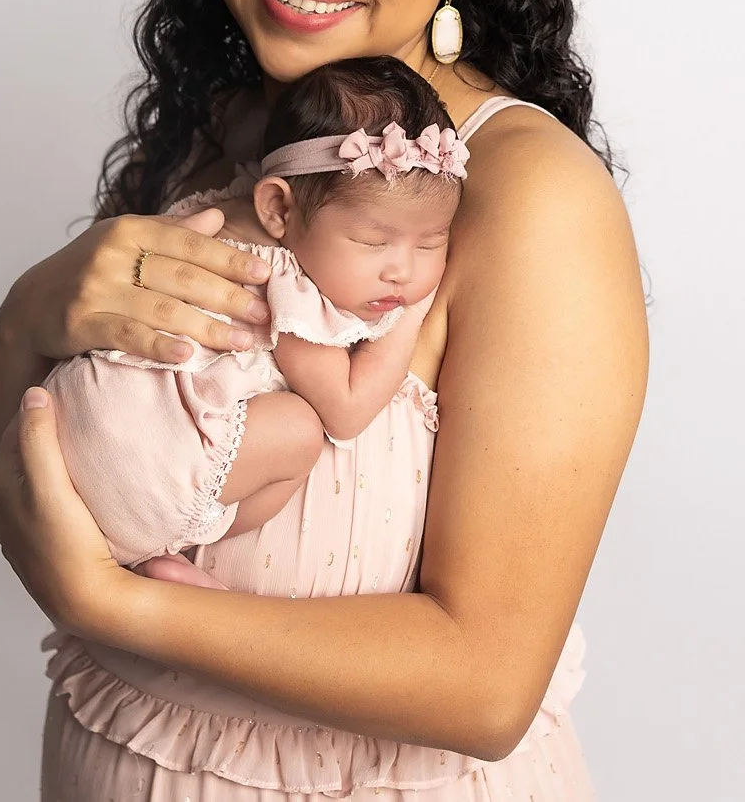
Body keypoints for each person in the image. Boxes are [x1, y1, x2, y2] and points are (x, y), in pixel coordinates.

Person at [0, 0, 648, 800]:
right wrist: (30, 312)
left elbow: (486, 684)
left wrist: (115, 605)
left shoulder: (527, 198)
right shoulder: (226, 139)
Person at [45, 56, 469, 581]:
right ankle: (171, 555)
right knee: (302, 432)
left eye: (432, 243)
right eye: (372, 242)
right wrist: (416, 310)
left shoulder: (216, 205)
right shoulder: (272, 276)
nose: (401, 272)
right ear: (279, 209)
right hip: (138, 467)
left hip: (68, 433)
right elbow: (347, 409)